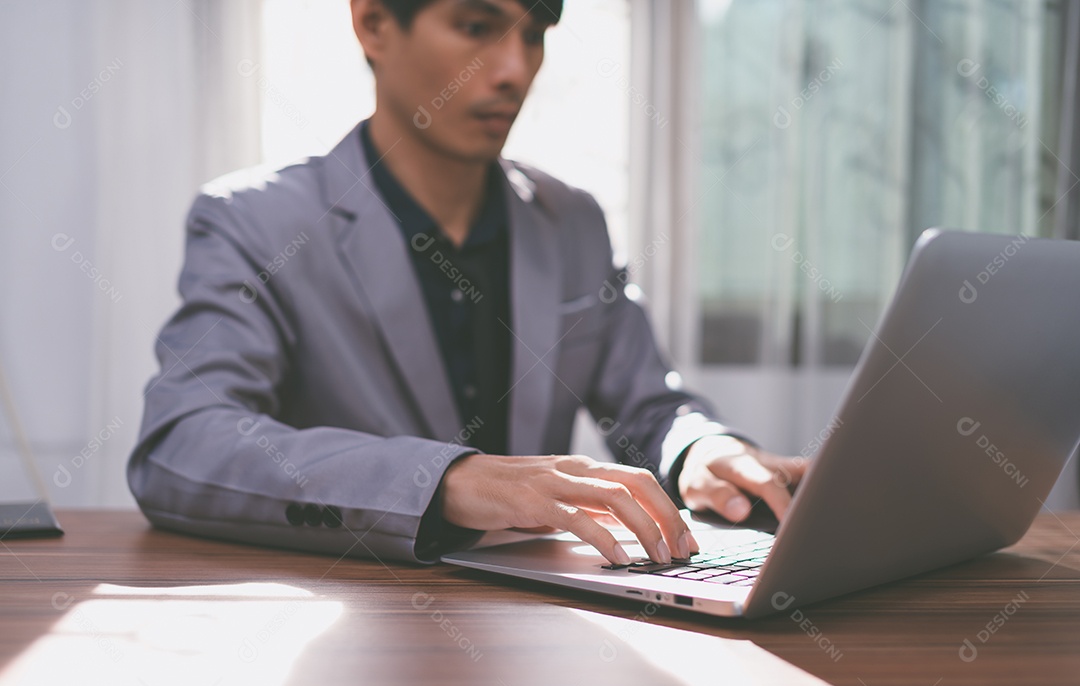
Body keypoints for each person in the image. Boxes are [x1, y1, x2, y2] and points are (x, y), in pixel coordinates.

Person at [128, 0, 807, 568]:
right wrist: (446, 480)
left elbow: (650, 408)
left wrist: (701, 448)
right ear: (372, 24)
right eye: (477, 27)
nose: (515, 70)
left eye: (535, 33)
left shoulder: (573, 220)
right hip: (358, 632)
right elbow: (180, 445)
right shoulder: (255, 221)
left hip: (548, 630)